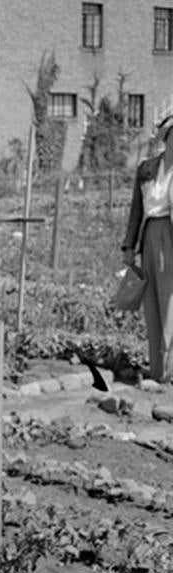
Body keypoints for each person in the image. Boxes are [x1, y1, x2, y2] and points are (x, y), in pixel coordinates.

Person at [122, 113, 173, 383]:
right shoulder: (147, 168)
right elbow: (136, 211)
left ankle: (170, 369)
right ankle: (157, 370)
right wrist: (129, 247)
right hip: (150, 234)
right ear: (167, 138)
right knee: (152, 302)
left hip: (171, 235)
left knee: (170, 302)